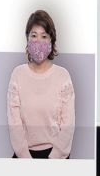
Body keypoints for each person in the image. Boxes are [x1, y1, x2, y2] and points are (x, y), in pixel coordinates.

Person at [7, 8, 76, 159]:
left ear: (51, 39)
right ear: (27, 39)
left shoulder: (63, 76)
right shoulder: (17, 74)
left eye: (44, 36)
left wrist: (54, 159)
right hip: (23, 156)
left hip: (57, 156)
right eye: (34, 36)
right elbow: (14, 122)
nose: (38, 41)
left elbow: (68, 124)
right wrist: (25, 158)